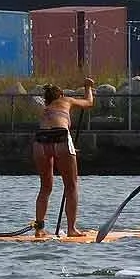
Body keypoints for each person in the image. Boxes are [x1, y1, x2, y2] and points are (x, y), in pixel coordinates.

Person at [31, 77, 95, 237]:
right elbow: (88, 103)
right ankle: (72, 229)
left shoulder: (46, 109)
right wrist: (87, 87)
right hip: (60, 137)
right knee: (71, 186)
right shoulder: (66, 100)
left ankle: (39, 229)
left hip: (40, 140)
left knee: (45, 188)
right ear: (60, 95)